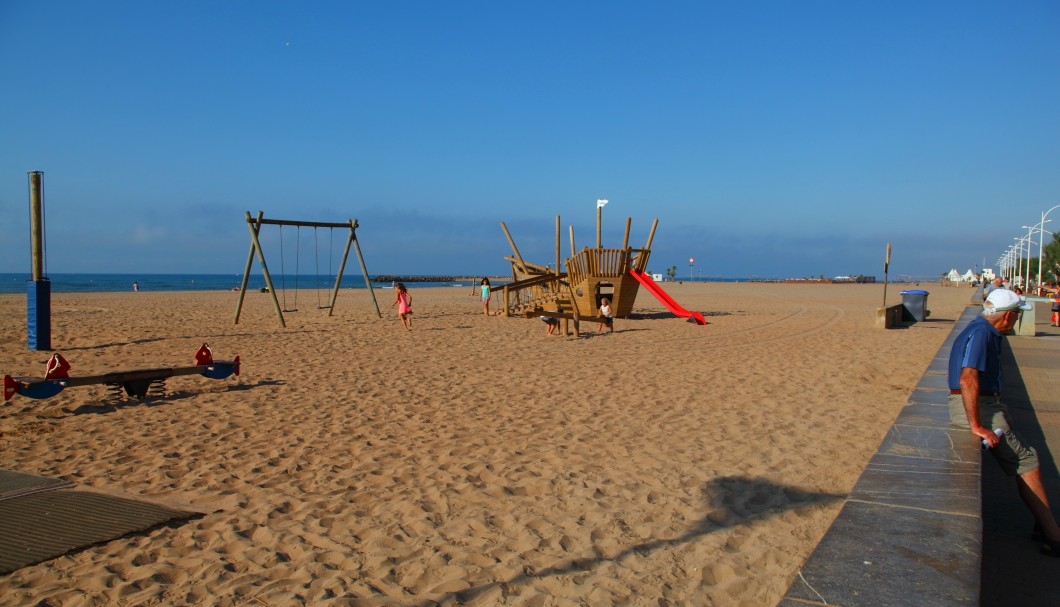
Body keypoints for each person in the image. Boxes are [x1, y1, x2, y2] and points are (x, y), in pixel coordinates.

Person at [948, 288, 1060, 556]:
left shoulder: (982, 329)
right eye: (1018, 314)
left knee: (1027, 457)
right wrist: (976, 425)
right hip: (979, 406)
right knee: (1027, 462)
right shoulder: (982, 333)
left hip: (985, 404)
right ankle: (1054, 535)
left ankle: (1043, 525)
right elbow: (967, 379)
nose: (1018, 318)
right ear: (1008, 316)